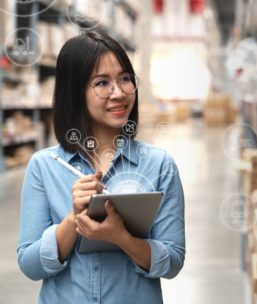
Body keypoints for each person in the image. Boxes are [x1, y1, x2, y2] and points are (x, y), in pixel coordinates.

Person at [17, 31, 185, 303]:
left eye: (125, 79)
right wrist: (73, 219)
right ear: (75, 92)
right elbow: (30, 265)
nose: (118, 93)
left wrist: (122, 238)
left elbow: (173, 262)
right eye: (102, 83)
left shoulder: (159, 166)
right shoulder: (45, 166)